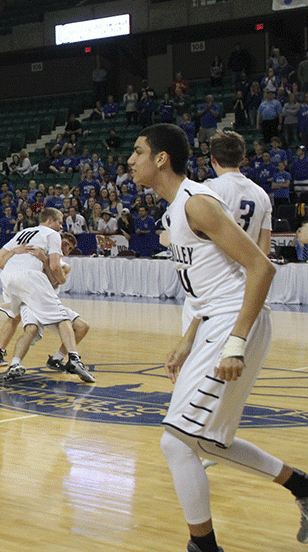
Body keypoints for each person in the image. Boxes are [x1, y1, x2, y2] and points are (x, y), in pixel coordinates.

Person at [128, 122, 308, 552]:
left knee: (175, 442)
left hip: (233, 324)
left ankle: (203, 548)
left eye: (137, 152)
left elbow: (262, 268)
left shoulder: (198, 204)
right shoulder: (176, 210)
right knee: (209, 441)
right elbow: (209, 283)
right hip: (215, 321)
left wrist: (235, 342)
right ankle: (302, 486)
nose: (130, 161)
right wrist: (190, 336)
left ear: (161, 159)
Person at [0, 208, 89, 382]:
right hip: (32, 288)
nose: (60, 227)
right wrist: (44, 260)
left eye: (69, 247)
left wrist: (40, 258)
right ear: (51, 220)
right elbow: (55, 270)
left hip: (11, 280)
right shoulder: (51, 236)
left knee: (82, 326)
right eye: (59, 223)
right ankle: (73, 359)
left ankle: (57, 359)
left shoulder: (27, 234)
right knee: (39, 325)